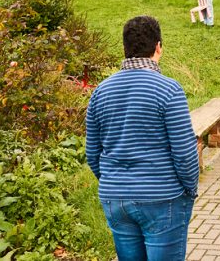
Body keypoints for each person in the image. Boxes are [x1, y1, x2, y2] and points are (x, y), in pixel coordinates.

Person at [85, 16, 198, 259]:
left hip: (116, 199)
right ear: (158, 47)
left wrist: (115, 182)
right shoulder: (169, 90)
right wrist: (189, 189)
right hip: (163, 197)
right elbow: (185, 152)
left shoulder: (100, 92)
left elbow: (92, 153)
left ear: (125, 49)